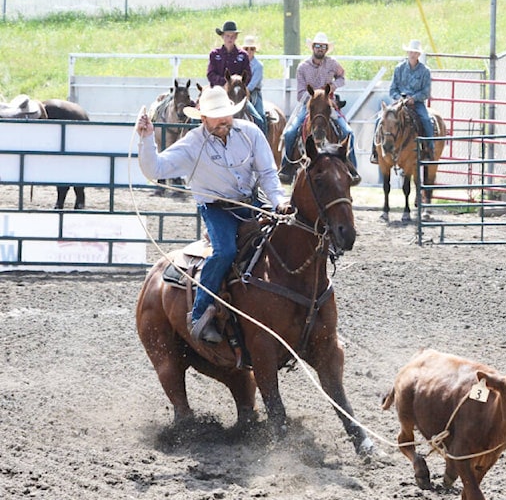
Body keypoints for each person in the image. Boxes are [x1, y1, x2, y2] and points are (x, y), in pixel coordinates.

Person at [135, 85, 292, 344]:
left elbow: (267, 173)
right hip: (216, 207)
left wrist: (278, 202)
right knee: (225, 251)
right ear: (203, 117)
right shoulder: (192, 144)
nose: (223, 120)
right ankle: (199, 314)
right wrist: (147, 138)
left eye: (226, 114)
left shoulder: (250, 133)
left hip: (250, 201)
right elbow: (155, 169)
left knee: (285, 235)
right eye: (217, 116)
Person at [279, 31, 360, 184]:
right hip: (310, 105)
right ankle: (287, 167)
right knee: (290, 133)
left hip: (329, 105)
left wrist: (333, 86)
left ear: (326, 49)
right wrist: (316, 95)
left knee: (347, 132)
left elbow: (342, 77)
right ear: (313, 48)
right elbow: (300, 94)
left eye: (323, 46)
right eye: (317, 46)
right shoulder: (302, 67)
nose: (320, 49)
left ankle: (352, 168)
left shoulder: (332, 64)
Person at [372, 39, 435, 164]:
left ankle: (429, 150)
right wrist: (399, 98)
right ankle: (375, 151)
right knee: (380, 120)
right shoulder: (399, 69)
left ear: (418, 55)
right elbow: (392, 89)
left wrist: (414, 98)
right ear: (408, 53)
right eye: (411, 52)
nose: (413, 54)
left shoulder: (425, 71)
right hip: (398, 103)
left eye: (415, 52)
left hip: (416, 103)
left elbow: (426, 92)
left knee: (426, 120)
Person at [206, 20, 251, 88]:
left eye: (232, 36)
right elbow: (211, 74)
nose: (230, 38)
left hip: (237, 90)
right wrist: (225, 82)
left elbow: (247, 74)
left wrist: (236, 83)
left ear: (236, 37)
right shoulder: (214, 54)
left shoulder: (243, 55)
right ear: (222, 36)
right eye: (227, 36)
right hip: (218, 88)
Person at [242, 34, 269, 136]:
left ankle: (263, 138)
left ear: (255, 50)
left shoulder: (258, 65)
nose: (249, 51)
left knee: (260, 116)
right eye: (246, 48)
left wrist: (243, 90)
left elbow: (252, 85)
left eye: (252, 49)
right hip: (239, 92)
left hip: (253, 93)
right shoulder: (240, 63)